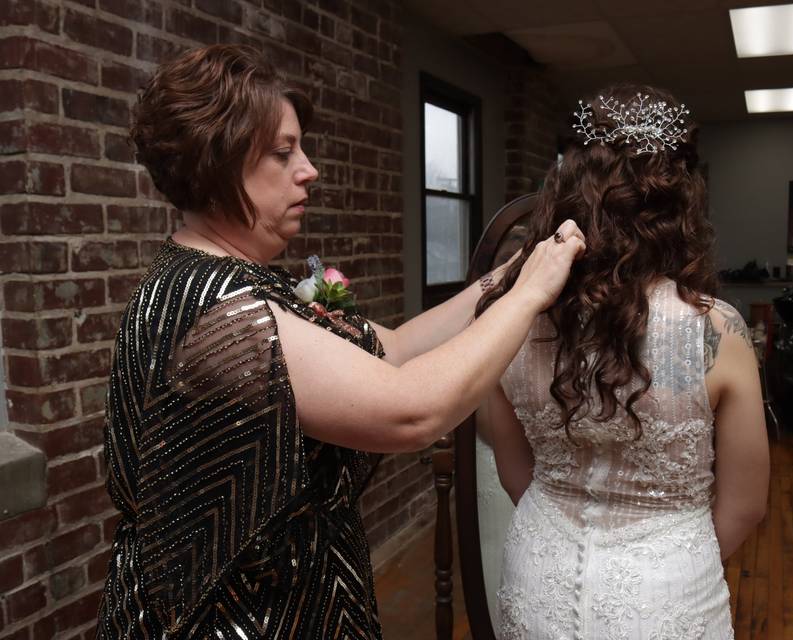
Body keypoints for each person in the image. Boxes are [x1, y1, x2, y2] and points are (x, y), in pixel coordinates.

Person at [96, 44, 585, 640]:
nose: (309, 169)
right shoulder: (220, 315)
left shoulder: (214, 277)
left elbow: (398, 347)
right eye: (283, 152)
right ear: (216, 164)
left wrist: (508, 275)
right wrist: (529, 298)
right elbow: (411, 410)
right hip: (244, 619)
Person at [477, 85, 769, 639]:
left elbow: (515, 470)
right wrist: (670, 554)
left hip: (539, 576)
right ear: (679, 202)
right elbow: (746, 505)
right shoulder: (715, 331)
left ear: (564, 192)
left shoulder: (512, 318)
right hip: (666, 596)